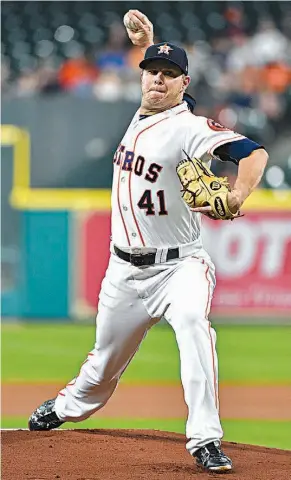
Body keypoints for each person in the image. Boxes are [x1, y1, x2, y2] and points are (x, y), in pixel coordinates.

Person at [28, 10, 268, 473]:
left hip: (180, 267)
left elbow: (252, 152)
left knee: (195, 326)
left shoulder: (190, 127)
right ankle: (64, 407)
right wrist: (151, 44)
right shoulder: (143, 113)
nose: (158, 80)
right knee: (100, 371)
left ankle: (205, 440)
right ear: (143, 78)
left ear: (184, 83)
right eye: (152, 73)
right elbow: (158, 80)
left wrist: (237, 193)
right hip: (124, 272)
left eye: (169, 75)